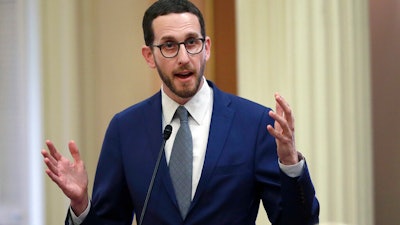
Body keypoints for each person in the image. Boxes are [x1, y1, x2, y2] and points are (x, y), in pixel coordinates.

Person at [41, 0, 320, 224]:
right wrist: (80, 205)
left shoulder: (255, 123)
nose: (184, 57)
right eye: (169, 46)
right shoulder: (125, 129)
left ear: (206, 47)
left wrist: (290, 165)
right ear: (149, 55)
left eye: (192, 42)